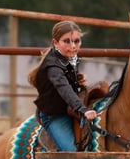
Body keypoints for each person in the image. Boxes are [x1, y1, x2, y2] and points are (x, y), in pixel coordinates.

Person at [28, 20, 98, 151]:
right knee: (71, 153)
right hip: (54, 116)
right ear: (55, 42)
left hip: (69, 110)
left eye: (76, 41)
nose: (73, 46)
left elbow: (66, 82)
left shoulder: (69, 57)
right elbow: (63, 88)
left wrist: (76, 80)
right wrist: (83, 109)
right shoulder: (52, 65)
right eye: (67, 41)